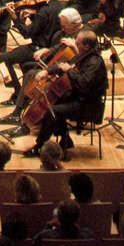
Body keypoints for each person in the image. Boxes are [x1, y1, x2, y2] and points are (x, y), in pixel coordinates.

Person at [25, 29, 106, 157]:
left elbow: (84, 84)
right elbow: (64, 64)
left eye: (77, 43)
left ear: (86, 46)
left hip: (89, 104)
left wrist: (70, 71)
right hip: (77, 98)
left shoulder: (95, 63)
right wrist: (47, 71)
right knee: (56, 103)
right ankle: (65, 139)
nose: (75, 45)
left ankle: (40, 146)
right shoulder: (82, 55)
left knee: (52, 112)